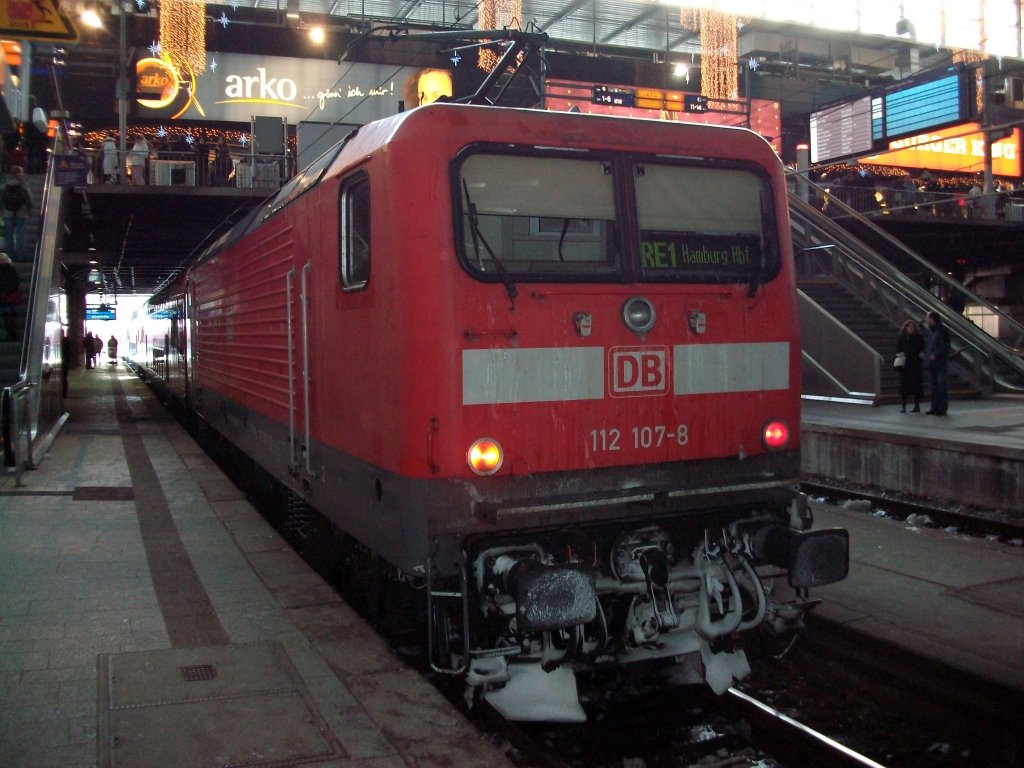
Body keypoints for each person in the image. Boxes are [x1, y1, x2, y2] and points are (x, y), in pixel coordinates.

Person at [3, 165, 33, 262]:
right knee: (21, 235)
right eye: (21, 172)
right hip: (21, 213)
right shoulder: (23, 185)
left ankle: (9, 256)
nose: (22, 174)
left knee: (8, 236)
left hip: (7, 213)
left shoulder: (5, 185)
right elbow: (29, 199)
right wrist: (29, 210)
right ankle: (21, 256)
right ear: (18, 173)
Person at [923, 311, 951, 416]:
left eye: (927, 318)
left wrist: (935, 353)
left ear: (932, 319)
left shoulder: (942, 331)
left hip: (940, 363)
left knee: (941, 385)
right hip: (932, 363)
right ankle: (934, 407)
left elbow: (946, 346)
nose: (925, 320)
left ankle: (942, 408)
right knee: (933, 386)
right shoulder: (930, 331)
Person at [895, 319, 924, 413]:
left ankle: (917, 405)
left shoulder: (919, 337)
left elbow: (922, 348)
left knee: (916, 385)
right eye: (909, 327)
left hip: (915, 363)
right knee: (904, 386)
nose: (911, 328)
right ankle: (903, 405)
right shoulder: (902, 338)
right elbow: (898, 349)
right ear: (905, 328)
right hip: (905, 365)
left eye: (912, 327)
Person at [0, 252, 22, 341]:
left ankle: (9, 334)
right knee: (13, 315)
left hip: (2, 297)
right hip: (12, 296)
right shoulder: (12, 269)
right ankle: (14, 334)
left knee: (6, 316)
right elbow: (16, 282)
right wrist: (9, 291)